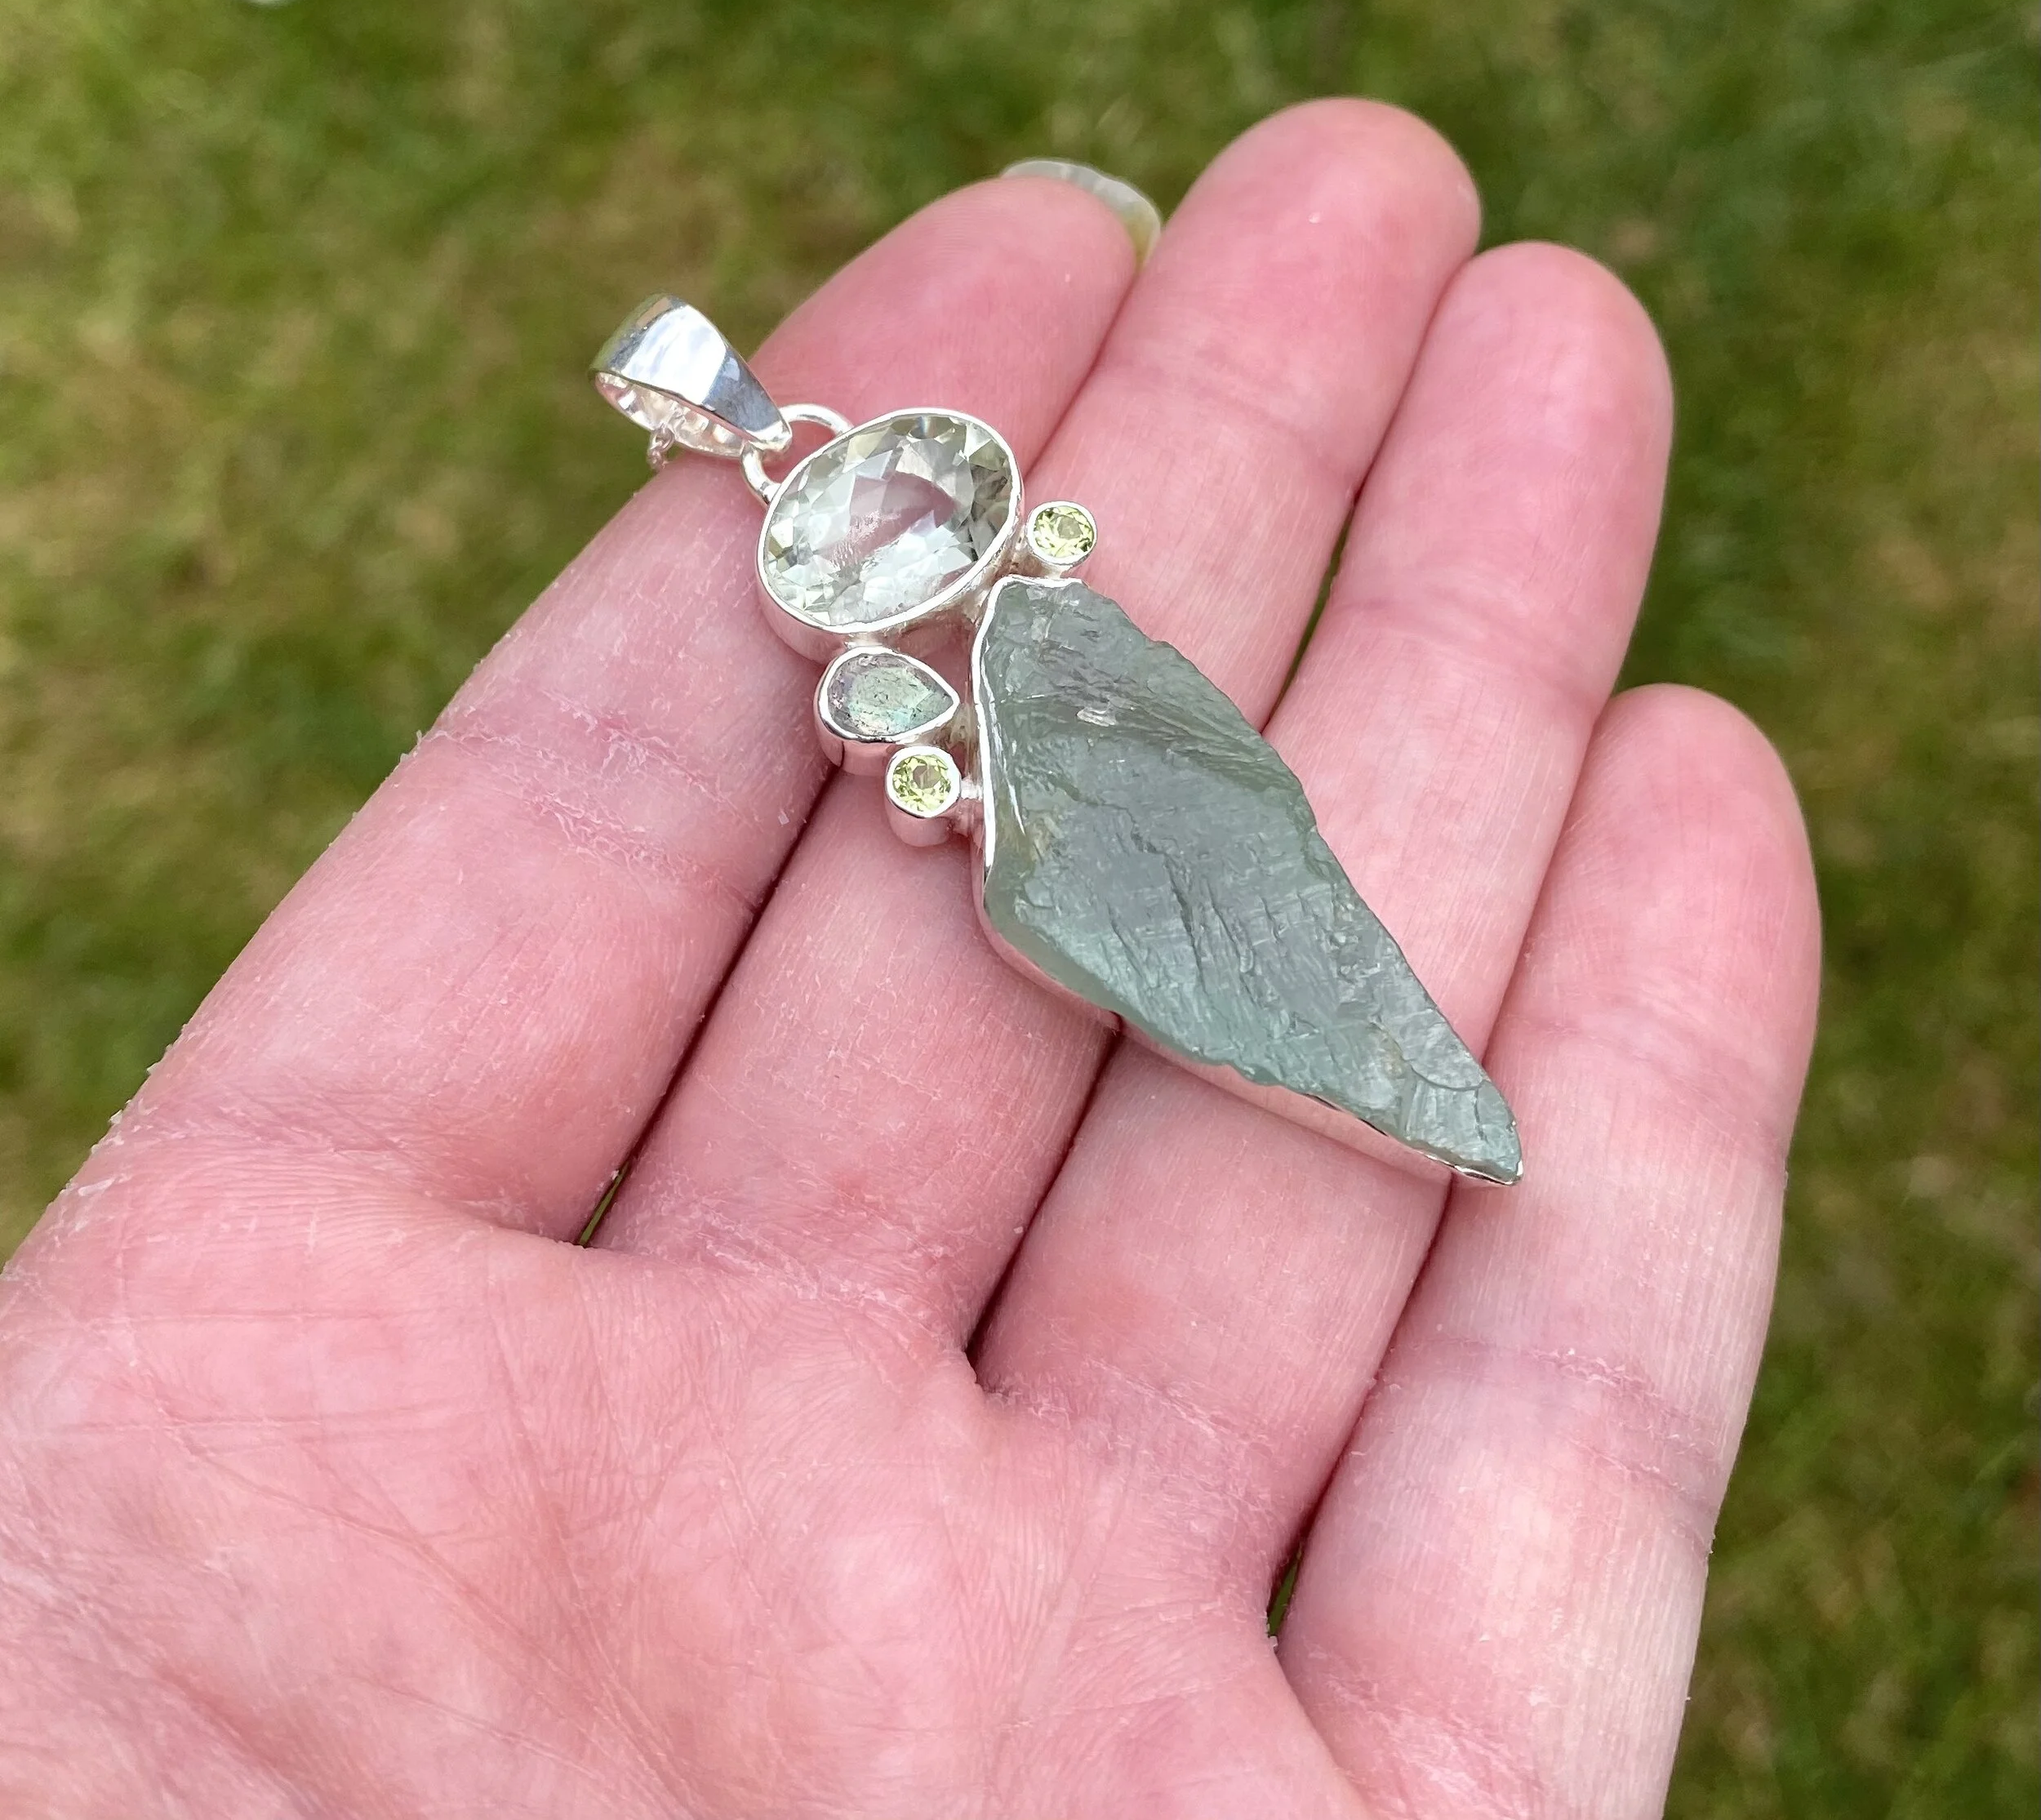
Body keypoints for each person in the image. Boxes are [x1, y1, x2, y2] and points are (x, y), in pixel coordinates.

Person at [0, 101, 1818, 1818]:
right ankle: (1392, 1074)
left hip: (1052, 703)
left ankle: (1405, 1078)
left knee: (1229, 900)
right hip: (1021, 747)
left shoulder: (1018, 620)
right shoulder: (922, 620)